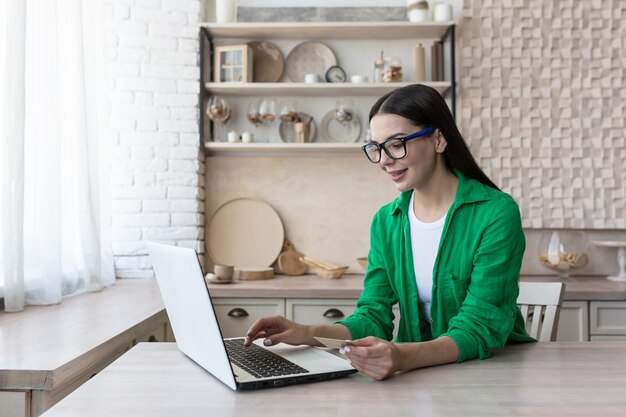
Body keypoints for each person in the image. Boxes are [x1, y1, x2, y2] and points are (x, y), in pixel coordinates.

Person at [244, 84, 534, 380]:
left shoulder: (496, 213)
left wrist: (400, 356)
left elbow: (478, 327)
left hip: (490, 376)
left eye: (396, 144)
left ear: (438, 139)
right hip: (419, 375)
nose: (383, 160)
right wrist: (307, 332)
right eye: (376, 147)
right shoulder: (386, 221)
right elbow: (373, 316)